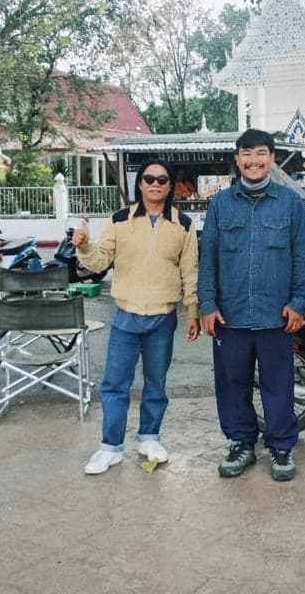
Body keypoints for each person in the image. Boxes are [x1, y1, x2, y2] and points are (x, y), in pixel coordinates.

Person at [198, 129, 305, 482]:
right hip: (229, 315)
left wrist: (298, 303)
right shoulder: (221, 204)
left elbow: (302, 256)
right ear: (237, 159)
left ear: (272, 158)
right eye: (246, 154)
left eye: (261, 153)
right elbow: (208, 258)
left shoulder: (290, 203)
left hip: (276, 315)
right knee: (233, 382)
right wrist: (207, 304)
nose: (253, 160)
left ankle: (281, 447)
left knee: (278, 384)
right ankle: (241, 443)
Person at [74, 160, 200, 475]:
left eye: (162, 179)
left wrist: (193, 310)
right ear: (140, 184)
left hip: (163, 317)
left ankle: (149, 437)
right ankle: (110, 447)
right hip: (126, 316)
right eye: (148, 179)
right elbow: (100, 260)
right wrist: (85, 245)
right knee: (115, 383)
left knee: (156, 383)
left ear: (170, 186)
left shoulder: (183, 225)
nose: (155, 184)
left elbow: (190, 271)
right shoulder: (119, 220)